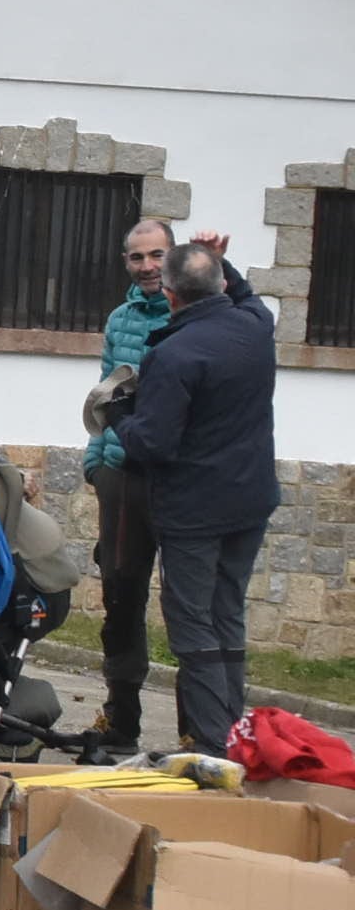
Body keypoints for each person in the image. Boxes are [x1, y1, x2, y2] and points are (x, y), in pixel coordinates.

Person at [118, 232, 279, 752]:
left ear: (169, 293)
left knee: (192, 625)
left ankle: (213, 745)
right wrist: (218, 257)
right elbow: (245, 293)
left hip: (193, 510)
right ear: (221, 283)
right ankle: (234, 734)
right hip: (249, 500)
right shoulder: (256, 327)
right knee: (228, 614)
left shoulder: (176, 353)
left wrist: (115, 416)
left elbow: (152, 444)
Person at [80, 219, 172, 749]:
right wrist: (97, 459)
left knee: (187, 607)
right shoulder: (120, 318)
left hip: (174, 480)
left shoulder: (194, 315)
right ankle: (121, 721)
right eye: (136, 258)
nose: (147, 267)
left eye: (156, 255)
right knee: (121, 598)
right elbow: (102, 392)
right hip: (119, 473)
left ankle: (197, 734)